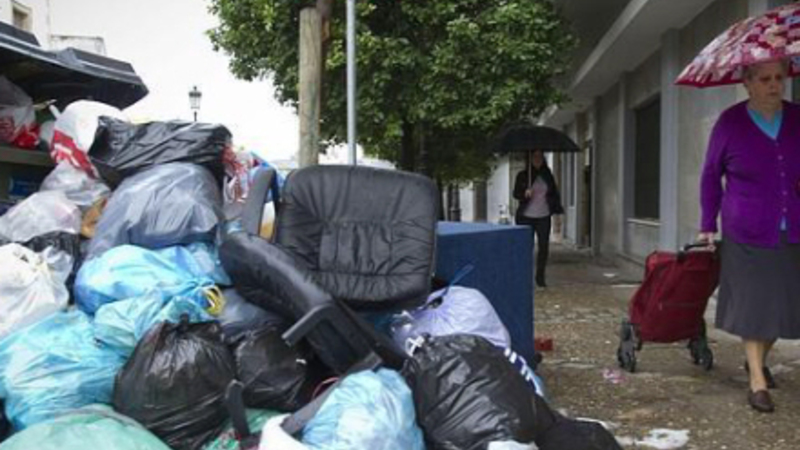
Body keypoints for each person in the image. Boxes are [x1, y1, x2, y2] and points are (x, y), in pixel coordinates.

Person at [698, 59, 800, 413]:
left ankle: (757, 359)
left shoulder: (797, 117)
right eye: (765, 79)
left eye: (779, 78)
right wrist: (707, 222)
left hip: (792, 227)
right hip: (746, 229)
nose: (774, 85)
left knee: (783, 305)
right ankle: (757, 379)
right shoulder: (730, 123)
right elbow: (711, 175)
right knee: (755, 304)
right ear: (747, 83)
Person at [513, 150, 564, 288]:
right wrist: (525, 193)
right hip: (526, 217)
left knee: (543, 247)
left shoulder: (547, 175)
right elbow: (516, 194)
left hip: (543, 216)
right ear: (530, 159)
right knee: (525, 247)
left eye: (540, 156)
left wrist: (557, 211)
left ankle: (540, 277)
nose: (538, 159)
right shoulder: (523, 175)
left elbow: (554, 194)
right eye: (535, 156)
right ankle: (524, 276)